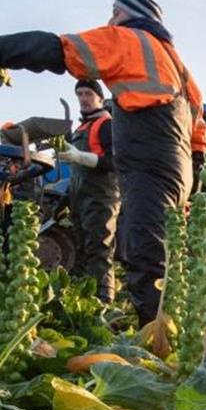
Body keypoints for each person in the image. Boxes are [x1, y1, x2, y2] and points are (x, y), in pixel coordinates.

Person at [0, 0, 206, 326]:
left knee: (144, 250)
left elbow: (58, 49)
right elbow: (199, 126)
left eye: (114, 13)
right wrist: (196, 170)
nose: (110, 20)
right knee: (158, 246)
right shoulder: (179, 67)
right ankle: (171, 327)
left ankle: (161, 342)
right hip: (176, 163)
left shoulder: (129, 40)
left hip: (148, 161)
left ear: (128, 15)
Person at [56, 79, 119, 302]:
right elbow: (76, 173)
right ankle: (84, 301)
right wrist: (64, 200)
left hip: (101, 197)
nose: (83, 99)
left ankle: (104, 303)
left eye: (88, 94)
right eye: (80, 94)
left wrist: (81, 156)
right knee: (81, 250)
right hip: (79, 197)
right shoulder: (81, 129)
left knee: (99, 249)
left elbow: (115, 162)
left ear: (100, 98)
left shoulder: (107, 124)